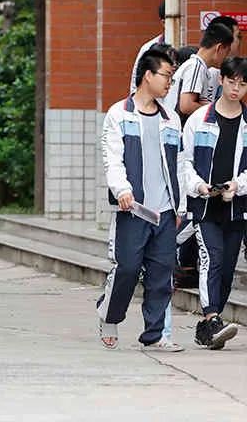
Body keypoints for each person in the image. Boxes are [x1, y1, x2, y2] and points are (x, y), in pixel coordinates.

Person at [96, 49, 184, 352]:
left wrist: (180, 205)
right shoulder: (119, 114)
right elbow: (113, 159)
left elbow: (180, 163)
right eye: (166, 77)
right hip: (133, 209)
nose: (169, 84)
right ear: (148, 75)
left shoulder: (170, 118)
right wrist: (122, 190)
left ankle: (155, 334)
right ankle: (109, 316)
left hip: (165, 210)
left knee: (162, 273)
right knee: (128, 268)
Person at [180, 55, 247, 349]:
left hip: (236, 207)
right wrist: (199, 186)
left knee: (228, 266)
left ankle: (206, 328)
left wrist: (237, 185)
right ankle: (212, 317)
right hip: (205, 207)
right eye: (231, 82)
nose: (236, 89)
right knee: (212, 259)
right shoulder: (199, 119)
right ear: (221, 80)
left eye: (242, 84)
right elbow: (185, 161)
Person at [164, 23, 234, 124]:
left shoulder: (198, 67)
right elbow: (186, 105)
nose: (226, 57)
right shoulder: (196, 67)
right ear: (219, 48)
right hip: (178, 129)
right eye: (226, 52)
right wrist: (216, 113)